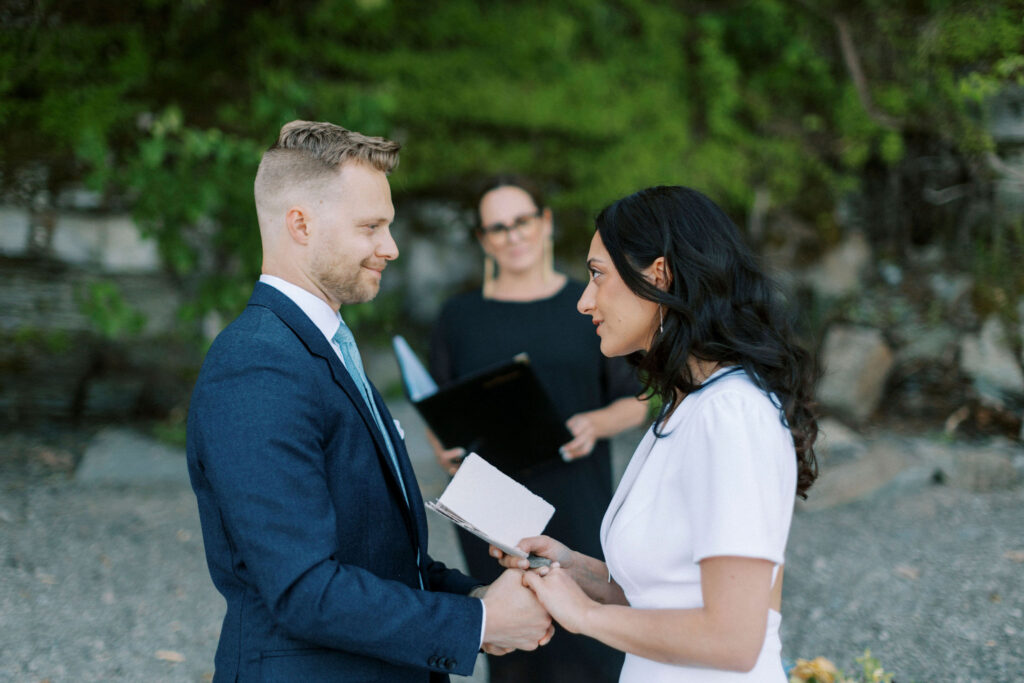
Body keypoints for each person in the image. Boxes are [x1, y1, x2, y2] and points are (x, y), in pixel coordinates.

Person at [186, 121, 553, 682]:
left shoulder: (324, 347)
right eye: (371, 227)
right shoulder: (256, 365)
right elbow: (303, 589)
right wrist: (476, 623)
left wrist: (477, 596)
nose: (392, 247)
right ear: (300, 224)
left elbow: (382, 557)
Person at [493, 185, 820, 681]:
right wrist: (571, 569)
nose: (584, 301)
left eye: (598, 275)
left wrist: (584, 617)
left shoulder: (730, 414)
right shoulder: (686, 405)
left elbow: (734, 639)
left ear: (659, 276)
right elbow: (662, 598)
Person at [428, 175, 647, 682]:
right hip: (493, 510)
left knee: (594, 653)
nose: (513, 235)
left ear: (544, 223)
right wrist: (445, 448)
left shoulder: (589, 302)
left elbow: (635, 400)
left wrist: (594, 422)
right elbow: (437, 404)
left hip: (576, 498)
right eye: (497, 227)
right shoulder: (458, 317)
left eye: (522, 221)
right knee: (516, 658)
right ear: (484, 240)